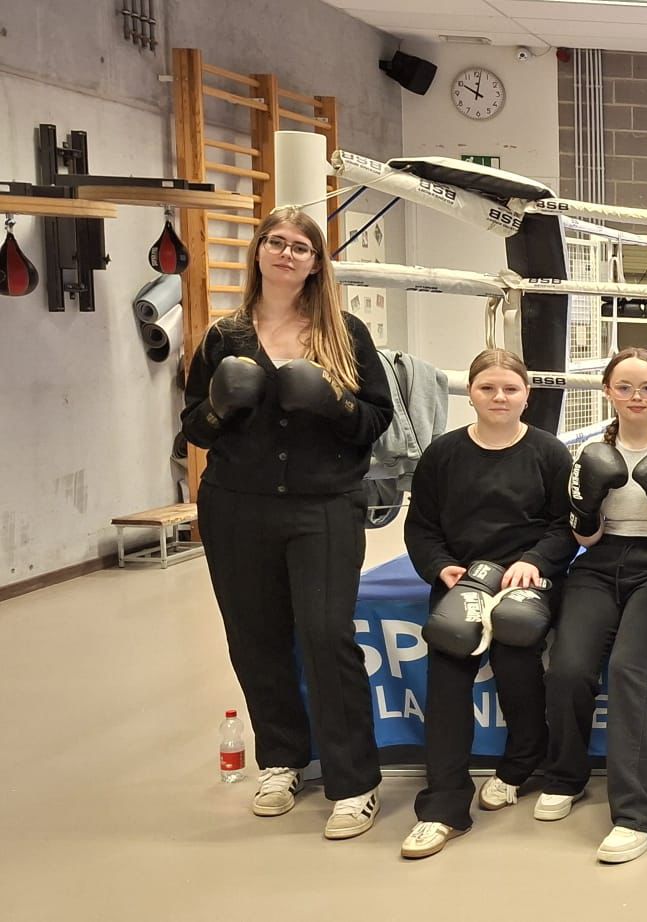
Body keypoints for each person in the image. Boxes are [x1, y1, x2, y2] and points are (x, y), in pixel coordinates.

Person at [181, 206, 392, 840]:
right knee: (254, 636)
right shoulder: (224, 336)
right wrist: (219, 409)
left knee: (327, 635)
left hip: (323, 504)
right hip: (236, 504)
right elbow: (193, 429)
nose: (286, 253)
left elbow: (375, 421)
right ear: (258, 251)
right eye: (275, 242)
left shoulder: (344, 333)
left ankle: (355, 782)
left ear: (316, 262)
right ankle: (281, 759)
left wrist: (333, 402)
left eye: (300, 246)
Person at [398, 348, 575, 859]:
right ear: (471, 393)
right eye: (488, 388)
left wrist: (535, 561)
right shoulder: (443, 454)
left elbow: (565, 526)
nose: (499, 397)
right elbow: (421, 526)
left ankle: (520, 764)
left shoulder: (548, 452)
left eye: (510, 388)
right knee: (448, 673)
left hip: (527, 577)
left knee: (517, 657)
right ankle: (443, 808)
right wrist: (440, 567)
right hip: (465, 579)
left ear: (527, 395)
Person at [536, 348, 647, 865]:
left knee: (629, 667)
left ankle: (639, 816)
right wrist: (587, 506)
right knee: (568, 667)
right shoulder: (589, 450)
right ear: (608, 390)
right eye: (625, 387)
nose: (636, 397)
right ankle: (565, 776)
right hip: (599, 560)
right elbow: (584, 538)